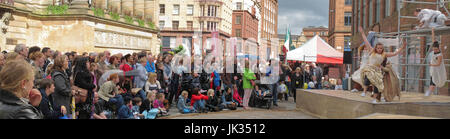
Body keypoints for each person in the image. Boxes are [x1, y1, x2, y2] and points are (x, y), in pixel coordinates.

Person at [359, 26, 406, 103]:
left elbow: (394, 53)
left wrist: (402, 48)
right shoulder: (371, 51)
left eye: (381, 48)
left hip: (377, 70)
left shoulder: (384, 54)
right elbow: (366, 41)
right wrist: (362, 33)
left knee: (377, 85)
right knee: (367, 78)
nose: (379, 49)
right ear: (376, 48)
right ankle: (364, 92)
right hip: (369, 68)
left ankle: (375, 99)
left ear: (382, 49)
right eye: (378, 48)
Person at [426, 28, 447, 96]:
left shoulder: (439, 55)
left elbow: (438, 64)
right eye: (434, 49)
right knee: (432, 82)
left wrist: (431, 64)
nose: (434, 50)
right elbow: (433, 39)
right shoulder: (434, 47)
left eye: (436, 49)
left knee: (434, 82)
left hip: (438, 70)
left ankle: (427, 95)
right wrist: (432, 31)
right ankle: (428, 94)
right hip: (433, 69)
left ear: (438, 48)